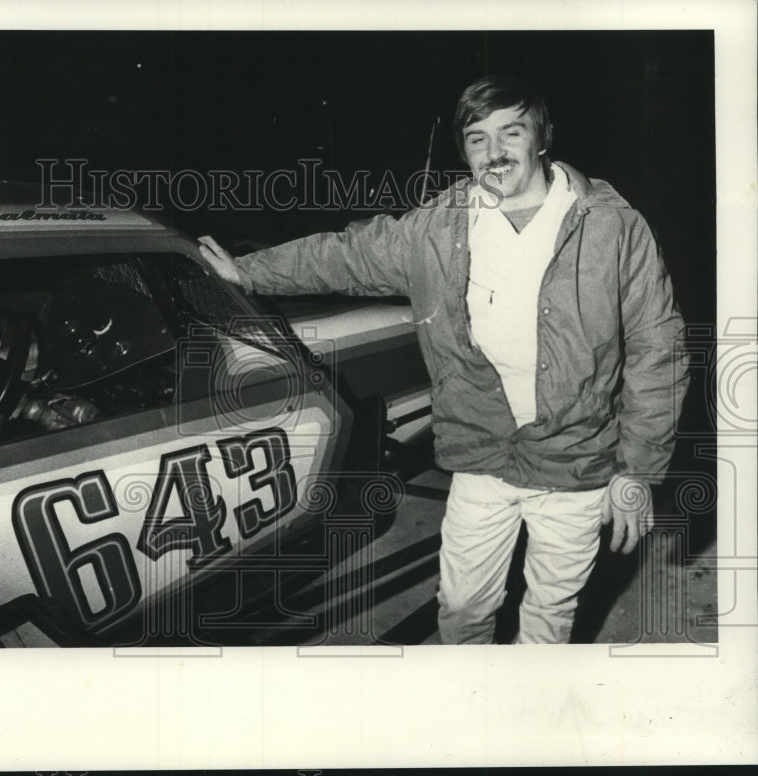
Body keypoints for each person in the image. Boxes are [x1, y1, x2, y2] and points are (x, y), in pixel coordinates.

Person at [197, 75, 689, 644]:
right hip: (481, 447)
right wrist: (250, 271)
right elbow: (348, 255)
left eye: (511, 132)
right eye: (478, 138)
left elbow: (660, 348)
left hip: (575, 459)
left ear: (543, 137)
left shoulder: (610, 225)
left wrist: (639, 472)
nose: (495, 151)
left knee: (551, 612)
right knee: (460, 606)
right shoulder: (442, 224)